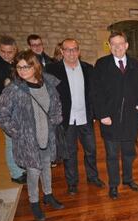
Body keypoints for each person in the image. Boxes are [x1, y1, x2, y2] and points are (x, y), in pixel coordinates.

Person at [0, 50, 64, 221]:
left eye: (26, 66)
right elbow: (1, 115)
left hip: (46, 137)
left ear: (35, 66)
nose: (22, 70)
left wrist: (56, 120)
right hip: (27, 141)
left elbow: (56, 105)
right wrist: (17, 133)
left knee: (46, 166)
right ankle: (34, 202)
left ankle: (48, 195)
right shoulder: (13, 90)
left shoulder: (47, 84)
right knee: (33, 172)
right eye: (19, 67)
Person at [46, 38, 105, 195]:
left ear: (79, 51)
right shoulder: (52, 70)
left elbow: (94, 93)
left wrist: (94, 113)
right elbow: (49, 95)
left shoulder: (88, 68)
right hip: (67, 120)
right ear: (62, 52)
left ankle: (93, 177)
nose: (71, 53)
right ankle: (72, 183)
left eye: (74, 49)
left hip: (85, 118)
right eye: (68, 49)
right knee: (70, 153)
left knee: (91, 150)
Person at [92, 31, 138, 199]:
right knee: (112, 155)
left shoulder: (136, 65)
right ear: (109, 46)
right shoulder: (101, 65)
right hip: (110, 119)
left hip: (131, 118)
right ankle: (114, 184)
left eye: (120, 43)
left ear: (126, 45)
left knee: (129, 153)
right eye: (113, 44)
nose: (117, 47)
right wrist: (102, 115)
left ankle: (128, 179)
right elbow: (96, 92)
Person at [0, 35, 27, 184]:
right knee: (11, 142)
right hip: (6, 113)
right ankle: (15, 173)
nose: (7, 55)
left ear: (15, 50)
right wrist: (3, 115)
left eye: (10, 52)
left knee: (20, 141)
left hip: (21, 110)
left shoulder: (17, 62)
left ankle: (22, 167)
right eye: (3, 51)